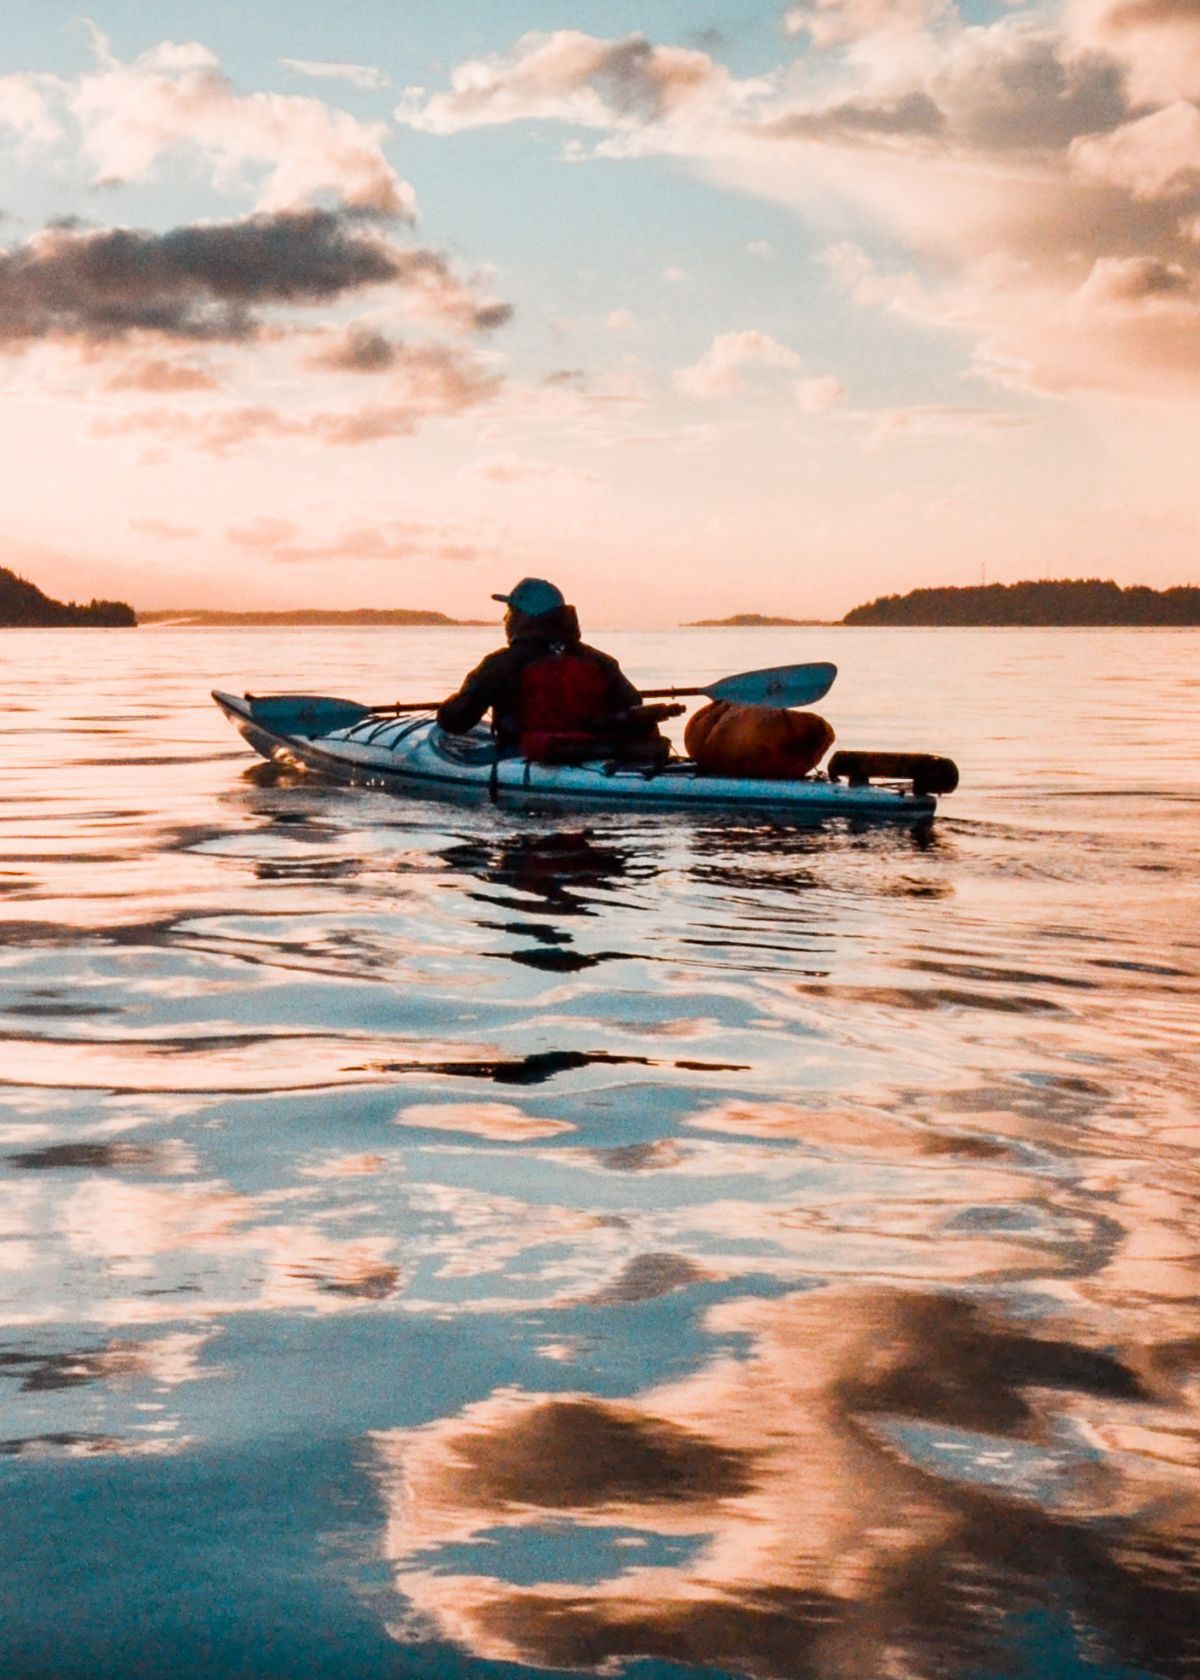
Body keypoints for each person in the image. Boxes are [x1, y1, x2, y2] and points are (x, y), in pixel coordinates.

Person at [436, 578, 673, 765]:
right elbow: (633, 706)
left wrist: (451, 704)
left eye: (510, 612)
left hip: (521, 756)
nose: (505, 618)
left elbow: (455, 721)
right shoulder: (600, 661)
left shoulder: (500, 664)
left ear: (522, 618)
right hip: (594, 753)